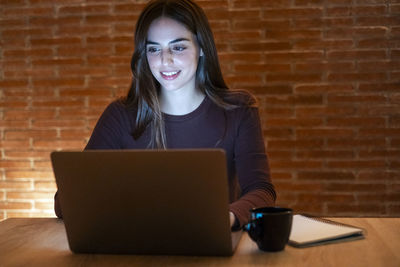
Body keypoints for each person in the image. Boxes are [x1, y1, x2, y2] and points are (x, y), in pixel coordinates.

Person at [54, 0, 276, 230]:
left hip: (210, 246)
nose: (165, 60)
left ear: (201, 48)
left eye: (178, 47)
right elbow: (64, 202)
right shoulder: (121, 116)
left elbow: (261, 190)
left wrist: (225, 218)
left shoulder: (239, 110)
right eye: (154, 49)